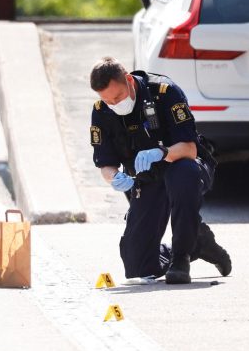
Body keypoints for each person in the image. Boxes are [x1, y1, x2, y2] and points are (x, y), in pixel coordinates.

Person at [89, 57, 232, 284]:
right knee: (139, 265)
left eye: (117, 97)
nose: (114, 105)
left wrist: (161, 152)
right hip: (147, 179)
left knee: (182, 174)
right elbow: (105, 163)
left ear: (128, 81)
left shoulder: (164, 92)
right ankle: (198, 242)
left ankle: (181, 257)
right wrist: (113, 177)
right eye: (107, 101)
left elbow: (190, 149)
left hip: (183, 165)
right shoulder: (101, 111)